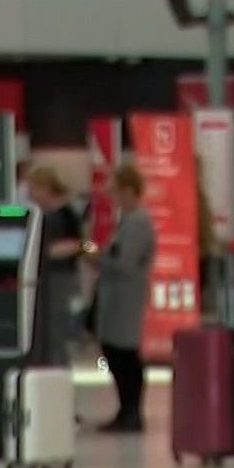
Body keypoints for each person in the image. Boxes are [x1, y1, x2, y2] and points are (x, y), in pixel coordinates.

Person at [87, 165, 155, 433]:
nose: (112, 198)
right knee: (115, 352)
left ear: (127, 190)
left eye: (114, 192)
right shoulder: (126, 221)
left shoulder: (138, 222)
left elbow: (124, 262)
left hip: (126, 295)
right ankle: (125, 408)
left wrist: (96, 256)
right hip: (116, 294)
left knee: (124, 353)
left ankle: (132, 410)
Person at [22, 166, 85, 368]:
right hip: (48, 279)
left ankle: (58, 371)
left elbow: (79, 245)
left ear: (46, 188)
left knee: (54, 330)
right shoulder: (45, 215)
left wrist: (44, 252)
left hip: (59, 279)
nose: (30, 195)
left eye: (34, 189)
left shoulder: (64, 215)